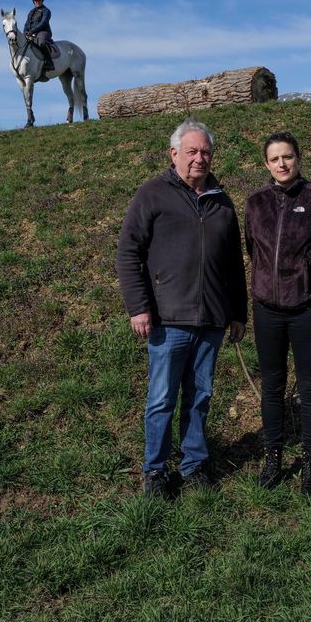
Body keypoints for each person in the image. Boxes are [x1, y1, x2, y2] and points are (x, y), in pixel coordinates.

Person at [117, 118, 247, 497]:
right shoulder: (152, 194)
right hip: (168, 318)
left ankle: (194, 464)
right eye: (191, 151)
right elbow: (128, 253)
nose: (199, 158)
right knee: (162, 399)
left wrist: (238, 312)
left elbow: (234, 265)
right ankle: (155, 471)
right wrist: (138, 307)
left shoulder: (222, 201)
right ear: (174, 153)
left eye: (205, 152)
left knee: (200, 396)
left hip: (212, 320)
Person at [244, 131, 311, 497]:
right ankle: (273, 457)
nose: (282, 164)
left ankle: (310, 462)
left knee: (310, 386)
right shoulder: (256, 203)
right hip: (267, 310)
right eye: (274, 159)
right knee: (272, 386)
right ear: (266, 164)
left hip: (308, 309)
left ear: (298, 158)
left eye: (287, 156)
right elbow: (252, 248)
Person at [24, 0, 53, 72]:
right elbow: (26, 24)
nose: (37, 2)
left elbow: (43, 23)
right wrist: (25, 32)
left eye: (39, 0)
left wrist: (32, 31)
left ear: (42, 0)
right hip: (31, 33)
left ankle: (50, 63)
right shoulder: (31, 12)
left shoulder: (46, 11)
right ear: (33, 1)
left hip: (43, 31)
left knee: (41, 43)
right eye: (35, 0)